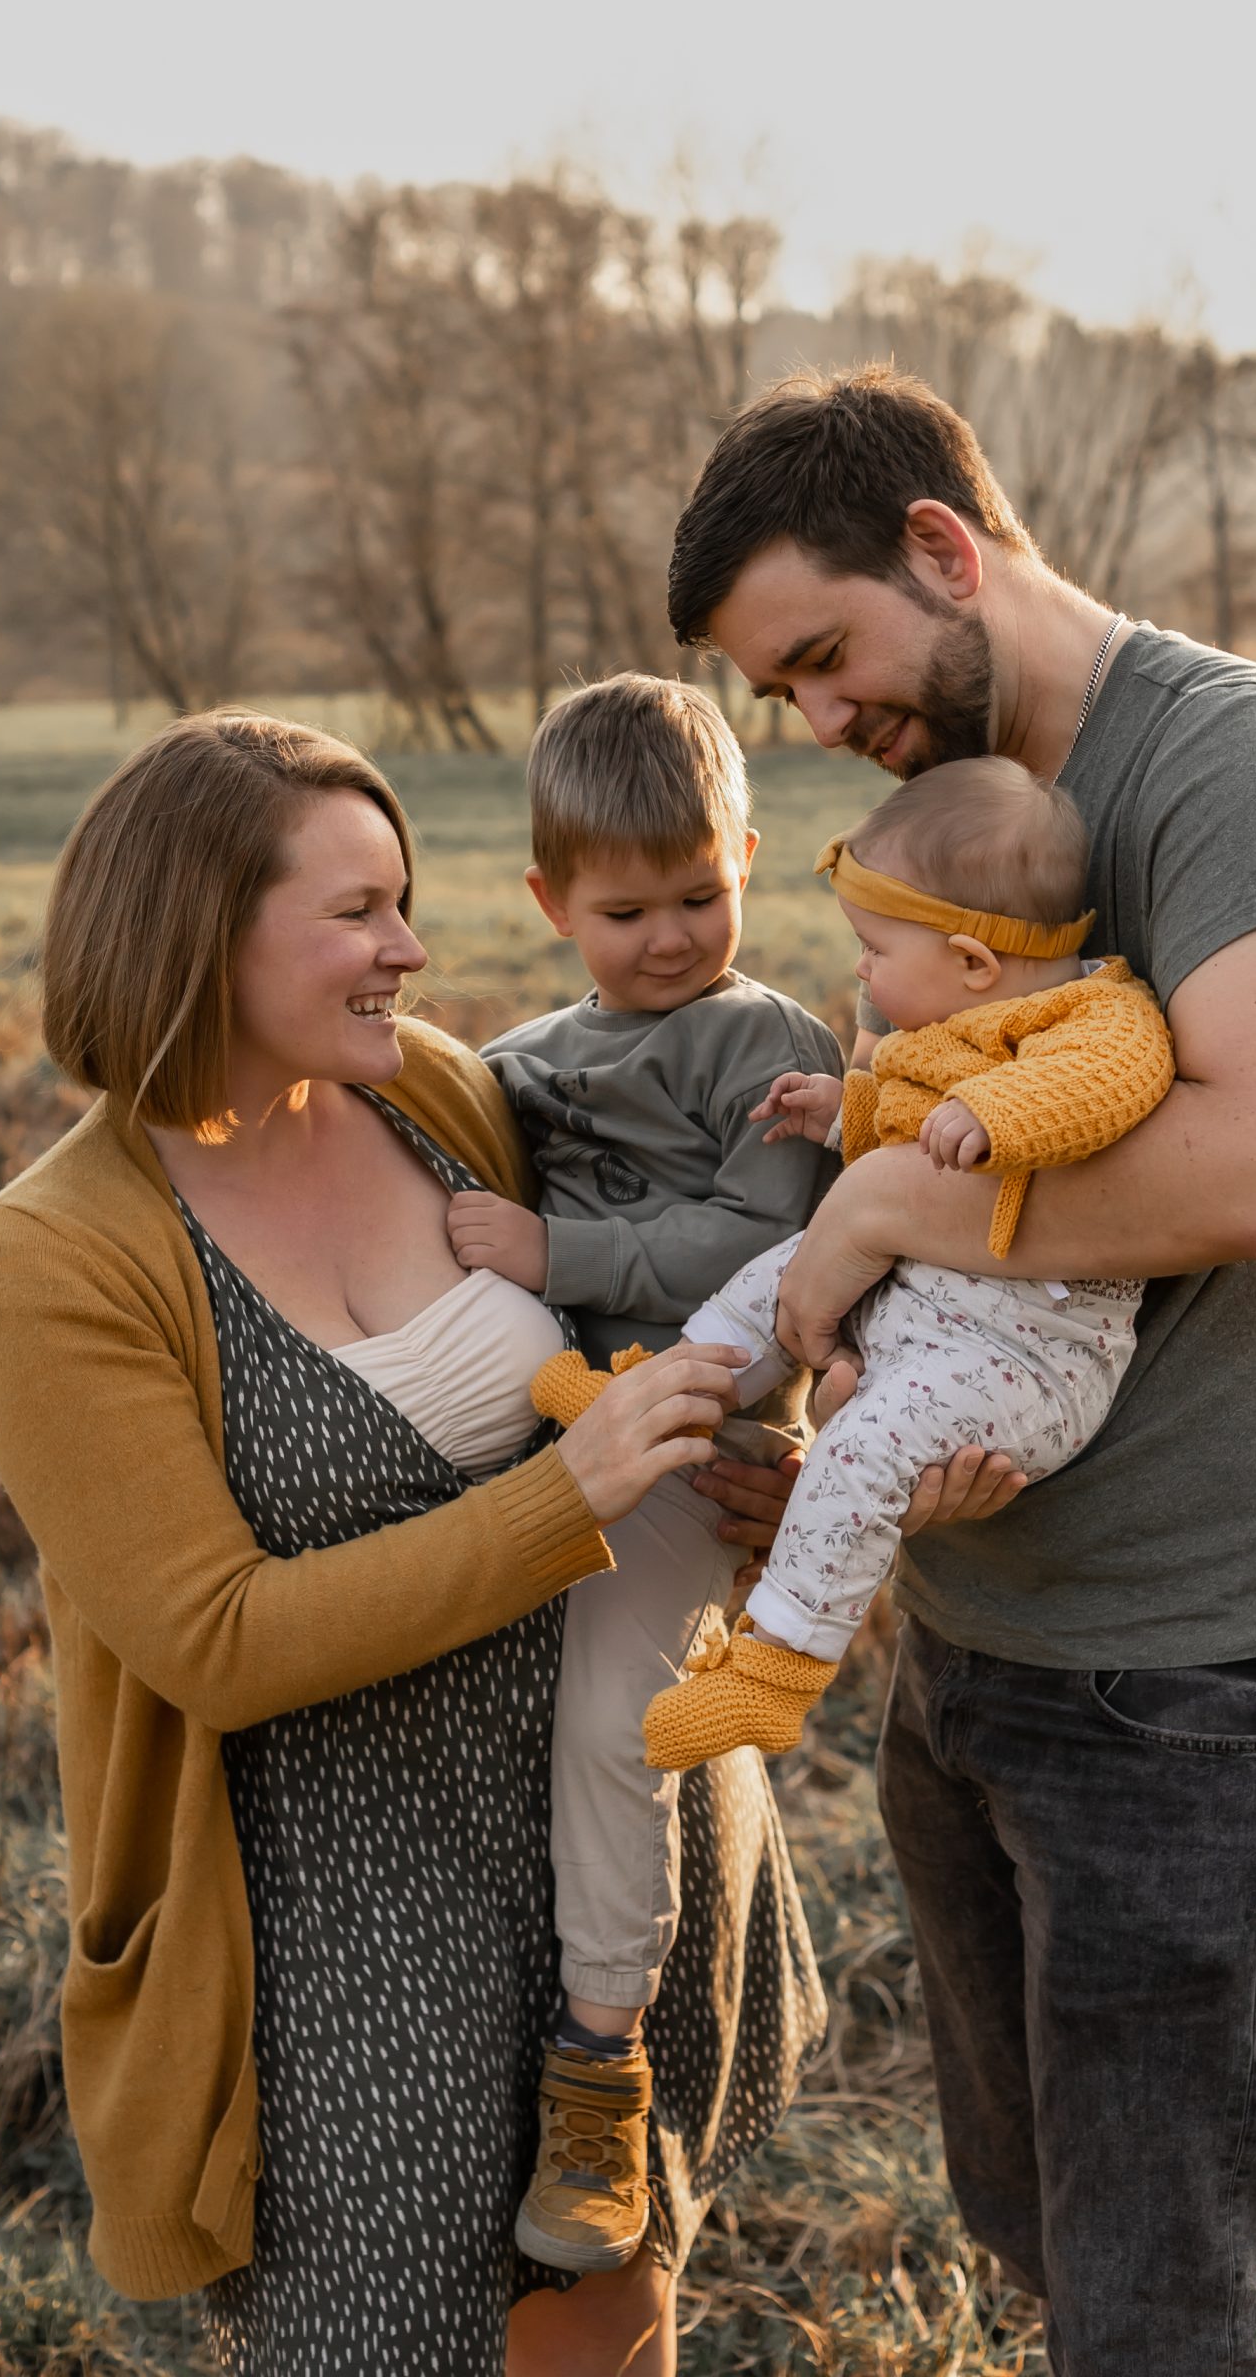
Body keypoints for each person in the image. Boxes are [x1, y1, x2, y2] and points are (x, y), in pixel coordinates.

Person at [664, 366, 1256, 2376]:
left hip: (1220, 1666)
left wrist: (869, 1227)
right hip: (995, 1636)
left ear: (946, 548)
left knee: (1164, 2312)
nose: (824, 721)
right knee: (1044, 2236)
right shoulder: (969, 825)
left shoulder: (1233, 763)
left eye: (828, 657)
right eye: (789, 696)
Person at [0, 712, 826, 2377]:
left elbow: (640, 1312)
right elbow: (214, 1637)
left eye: (405, 901)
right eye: (358, 912)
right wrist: (565, 1502)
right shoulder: (51, 1260)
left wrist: (756, 1472)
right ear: (201, 929)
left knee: (613, 2328)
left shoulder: (433, 1091)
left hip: (615, 1855)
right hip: (355, 1938)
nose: (411, 950)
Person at [448, 673, 843, 2275]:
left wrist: (561, 1246)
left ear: (746, 854)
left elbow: (761, 1254)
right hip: (551, 1412)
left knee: (618, 1718)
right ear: (549, 902)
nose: (671, 937)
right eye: (625, 910)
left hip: (696, 1425)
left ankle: (598, 2065)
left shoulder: (771, 1044)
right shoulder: (517, 1059)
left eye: (701, 893)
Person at [638, 756, 1174, 1771]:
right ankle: (667, 1393)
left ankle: (775, 1670)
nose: (861, 977)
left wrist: (997, 1112)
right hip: (928, 1295)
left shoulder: (1093, 1015)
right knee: (774, 1275)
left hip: (1028, 1354)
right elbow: (910, 1119)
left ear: (974, 961)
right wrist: (842, 1109)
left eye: (873, 950)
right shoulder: (943, 1029)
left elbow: (1111, 1082)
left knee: (862, 1445)